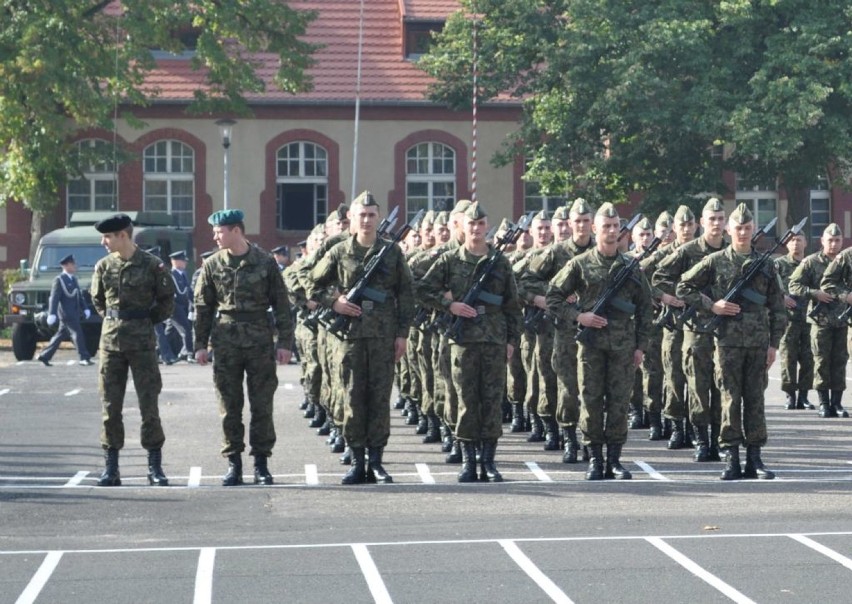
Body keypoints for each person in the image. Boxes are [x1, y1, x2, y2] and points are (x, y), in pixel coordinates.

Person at [308, 193, 414, 484]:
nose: (366, 220)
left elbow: (406, 295)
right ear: (352, 220)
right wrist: (335, 302)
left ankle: (377, 462)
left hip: (382, 336)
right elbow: (311, 285)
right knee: (352, 398)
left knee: (379, 399)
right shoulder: (339, 251)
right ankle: (357, 462)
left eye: (371, 215)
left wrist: (402, 335)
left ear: (378, 218)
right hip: (349, 337)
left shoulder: (392, 253)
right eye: (361, 215)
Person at [677, 203, 786, 480]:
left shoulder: (767, 264)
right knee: (729, 400)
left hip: (758, 343)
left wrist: (774, 344)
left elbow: (778, 307)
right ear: (729, 229)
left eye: (748, 228)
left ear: (753, 230)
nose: (743, 233)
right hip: (726, 344)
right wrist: (712, 305)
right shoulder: (715, 261)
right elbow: (683, 287)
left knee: (755, 401)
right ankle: (732, 458)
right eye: (738, 228)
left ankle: (755, 459)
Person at [547, 202, 652, 480]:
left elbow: (645, 308)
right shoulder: (579, 264)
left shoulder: (630, 266)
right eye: (606, 226)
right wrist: (579, 316)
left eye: (616, 226)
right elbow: (553, 297)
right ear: (595, 229)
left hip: (623, 347)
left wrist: (641, 346)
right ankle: (595, 458)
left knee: (619, 402)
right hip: (590, 346)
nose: (611, 231)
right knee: (591, 401)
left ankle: (615, 460)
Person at [419, 202, 522, 482]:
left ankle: (488, 461)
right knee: (465, 400)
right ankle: (468, 461)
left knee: (491, 401)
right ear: (462, 227)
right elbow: (422, 289)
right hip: (462, 341)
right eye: (471, 224)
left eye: (480, 224)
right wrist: (448, 305)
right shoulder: (449, 260)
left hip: (493, 340)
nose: (476, 229)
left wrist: (512, 340)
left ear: (486, 226)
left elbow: (512, 305)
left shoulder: (499, 262)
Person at [193, 209, 294, 486]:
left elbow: (282, 305)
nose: (214, 236)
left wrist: (285, 343)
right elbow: (203, 308)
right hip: (226, 341)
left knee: (262, 403)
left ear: (236, 230)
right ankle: (233, 464)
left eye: (219, 231)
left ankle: (261, 463)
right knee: (229, 404)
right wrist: (201, 344)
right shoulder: (212, 265)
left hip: (260, 339)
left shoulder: (264, 262)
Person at [89, 213, 175, 487]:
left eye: (108, 236)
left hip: (142, 344)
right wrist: (117, 320)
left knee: (148, 404)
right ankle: (111, 468)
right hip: (111, 345)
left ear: (123, 235)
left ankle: (154, 467)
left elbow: (166, 302)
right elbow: (98, 302)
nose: (104, 242)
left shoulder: (152, 265)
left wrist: (142, 321)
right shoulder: (103, 266)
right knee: (110, 406)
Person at [653, 198, 727, 462]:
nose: (716, 224)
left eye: (721, 219)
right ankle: (685, 430)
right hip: (687, 324)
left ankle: (717, 437)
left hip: (723, 328)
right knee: (684, 379)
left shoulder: (731, 250)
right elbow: (655, 278)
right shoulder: (684, 252)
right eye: (712, 219)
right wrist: (671, 297)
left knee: (720, 385)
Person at [789, 223, 848, 418]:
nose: (833, 244)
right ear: (822, 241)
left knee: (840, 361)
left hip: (842, 320)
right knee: (821, 361)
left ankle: (837, 403)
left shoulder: (846, 262)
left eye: (837, 240)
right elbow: (794, 285)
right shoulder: (811, 262)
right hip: (820, 321)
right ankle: (824, 403)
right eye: (830, 240)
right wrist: (815, 293)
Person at [774, 232, 814, 410]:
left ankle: (804, 396)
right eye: (792, 240)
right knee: (788, 358)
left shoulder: (811, 264)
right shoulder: (779, 265)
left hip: (809, 319)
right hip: (788, 320)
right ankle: (790, 395)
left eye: (799, 240)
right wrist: (781, 298)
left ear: (805, 242)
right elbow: (769, 287)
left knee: (808, 358)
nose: (795, 243)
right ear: (786, 244)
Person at [37, 254, 93, 366]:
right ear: (66, 266)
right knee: (78, 334)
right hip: (67, 314)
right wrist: (52, 313)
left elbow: (79, 296)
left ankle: (44, 356)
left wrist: (85, 308)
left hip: (74, 312)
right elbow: (54, 297)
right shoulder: (59, 280)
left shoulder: (73, 279)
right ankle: (84, 357)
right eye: (73, 264)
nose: (75, 266)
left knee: (59, 335)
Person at [166, 250, 194, 361]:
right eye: (182, 261)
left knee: (169, 332)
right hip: (175, 306)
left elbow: (188, 291)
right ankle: (189, 353)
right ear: (175, 262)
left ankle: (160, 352)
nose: (185, 263)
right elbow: (179, 291)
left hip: (184, 306)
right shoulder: (171, 275)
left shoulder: (184, 274)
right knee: (186, 329)